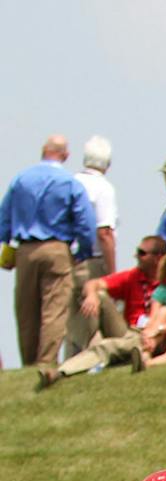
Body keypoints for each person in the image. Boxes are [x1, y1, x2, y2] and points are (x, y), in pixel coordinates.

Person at [3, 135, 99, 368]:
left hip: (25, 249)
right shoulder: (69, 182)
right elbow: (85, 223)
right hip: (57, 248)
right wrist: (83, 251)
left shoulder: (21, 179)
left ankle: (27, 362)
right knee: (54, 309)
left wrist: (6, 244)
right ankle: (45, 362)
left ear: (43, 151)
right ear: (65, 155)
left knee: (26, 309)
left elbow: (4, 216)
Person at [36, 234, 164, 388]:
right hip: (128, 331)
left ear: (158, 257)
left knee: (106, 347)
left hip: (155, 334)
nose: (136, 256)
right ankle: (95, 346)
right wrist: (91, 296)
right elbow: (94, 283)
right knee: (100, 296)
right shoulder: (132, 276)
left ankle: (60, 372)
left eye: (142, 253)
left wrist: (155, 332)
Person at [65, 135, 119, 356]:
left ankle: (68, 361)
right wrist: (112, 272)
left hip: (68, 258)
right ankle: (91, 360)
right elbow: (104, 232)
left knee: (71, 319)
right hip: (93, 261)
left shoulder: (69, 183)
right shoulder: (103, 188)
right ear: (107, 163)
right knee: (91, 316)